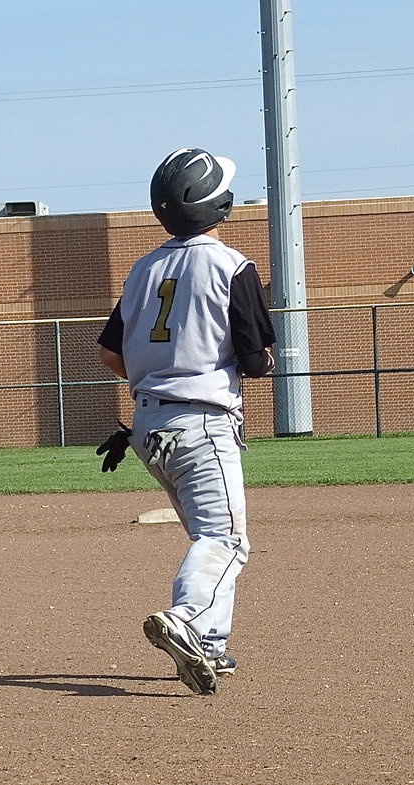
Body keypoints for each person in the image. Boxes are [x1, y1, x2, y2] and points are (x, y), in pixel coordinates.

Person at [96, 148, 276, 695]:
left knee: (206, 535)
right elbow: (256, 361)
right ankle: (190, 618)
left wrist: (158, 381)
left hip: (149, 427)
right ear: (217, 205)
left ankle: (211, 644)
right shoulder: (231, 265)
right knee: (225, 540)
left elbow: (110, 354)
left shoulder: (143, 268)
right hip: (202, 424)